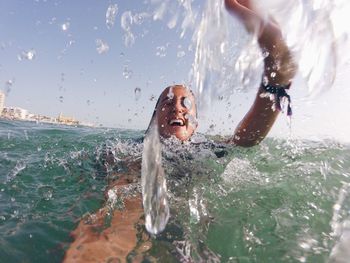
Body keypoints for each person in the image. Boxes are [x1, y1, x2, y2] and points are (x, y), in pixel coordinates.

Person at [63, 0, 297, 262]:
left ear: (195, 123)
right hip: (137, 193)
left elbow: (247, 140)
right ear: (153, 121)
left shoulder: (206, 148)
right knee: (129, 190)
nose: (178, 108)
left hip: (189, 213)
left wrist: (276, 83)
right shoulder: (131, 150)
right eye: (167, 102)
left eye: (186, 103)